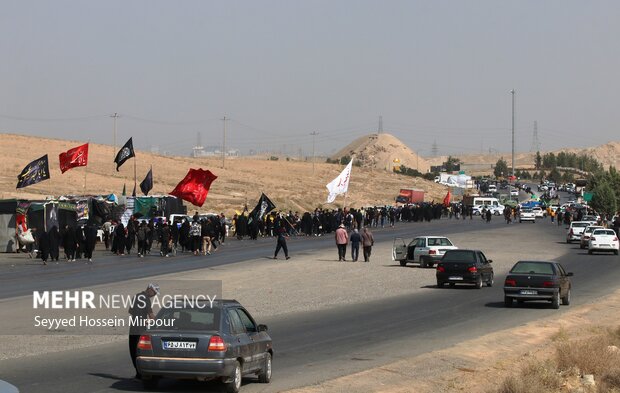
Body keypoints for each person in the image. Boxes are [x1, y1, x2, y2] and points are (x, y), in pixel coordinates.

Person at [128, 283, 158, 379]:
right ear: (150, 289)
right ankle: (140, 374)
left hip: (133, 328)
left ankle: (138, 374)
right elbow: (151, 315)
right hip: (140, 330)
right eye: (155, 292)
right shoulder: (146, 299)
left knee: (133, 351)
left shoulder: (136, 296)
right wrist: (159, 323)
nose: (154, 295)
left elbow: (130, 311)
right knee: (140, 352)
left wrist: (139, 316)